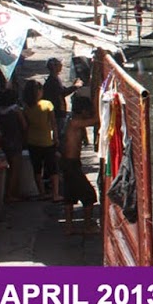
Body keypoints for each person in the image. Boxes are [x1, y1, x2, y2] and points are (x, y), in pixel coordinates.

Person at [59, 95, 98, 236]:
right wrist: (97, 99)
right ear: (83, 111)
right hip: (71, 164)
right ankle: (87, 226)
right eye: (88, 111)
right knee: (89, 195)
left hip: (69, 163)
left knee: (69, 195)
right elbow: (96, 120)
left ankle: (69, 227)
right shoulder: (75, 122)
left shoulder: (72, 120)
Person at [22, 80, 60, 199]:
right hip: (47, 141)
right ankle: (55, 194)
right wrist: (56, 137)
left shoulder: (26, 107)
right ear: (38, 91)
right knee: (53, 168)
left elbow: (26, 125)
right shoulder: (47, 104)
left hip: (32, 141)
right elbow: (53, 123)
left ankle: (42, 193)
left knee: (37, 169)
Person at [0, 86, 27, 201]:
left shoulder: (0, 112)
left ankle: (9, 192)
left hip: (5, 140)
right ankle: (11, 194)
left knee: (9, 168)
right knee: (15, 168)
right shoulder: (15, 110)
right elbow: (24, 125)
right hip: (15, 140)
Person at [41, 58, 74, 142]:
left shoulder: (55, 79)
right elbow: (62, 92)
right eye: (59, 64)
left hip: (58, 109)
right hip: (57, 110)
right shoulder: (52, 80)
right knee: (60, 131)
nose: (61, 66)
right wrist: (75, 87)